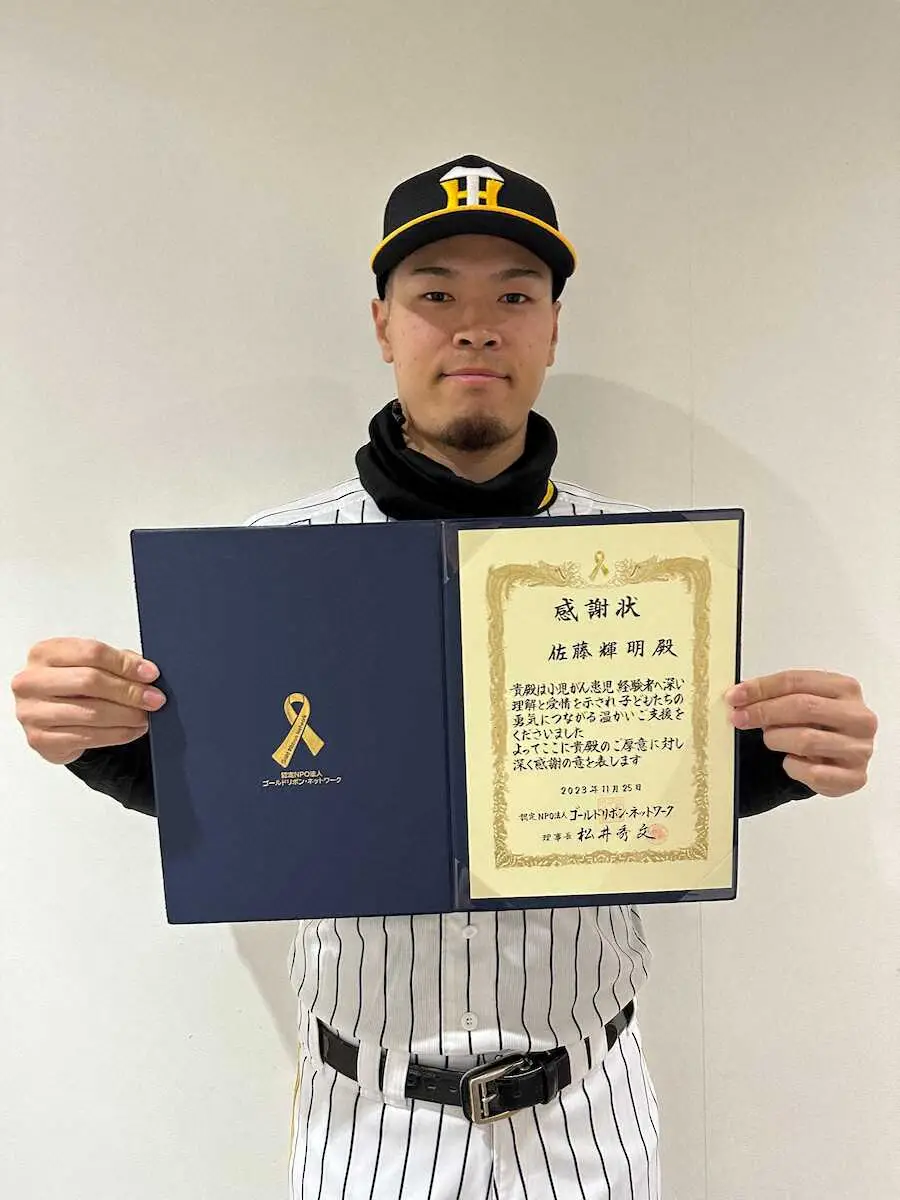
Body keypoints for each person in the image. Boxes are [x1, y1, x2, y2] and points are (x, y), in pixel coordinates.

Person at [11, 154, 878, 1200]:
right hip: (365, 1120)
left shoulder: (642, 567)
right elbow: (253, 799)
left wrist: (783, 756)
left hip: (591, 1112)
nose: (476, 328)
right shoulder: (273, 563)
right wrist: (99, 734)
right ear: (383, 325)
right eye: (435, 296)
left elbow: (640, 790)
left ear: (553, 329)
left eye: (514, 296)